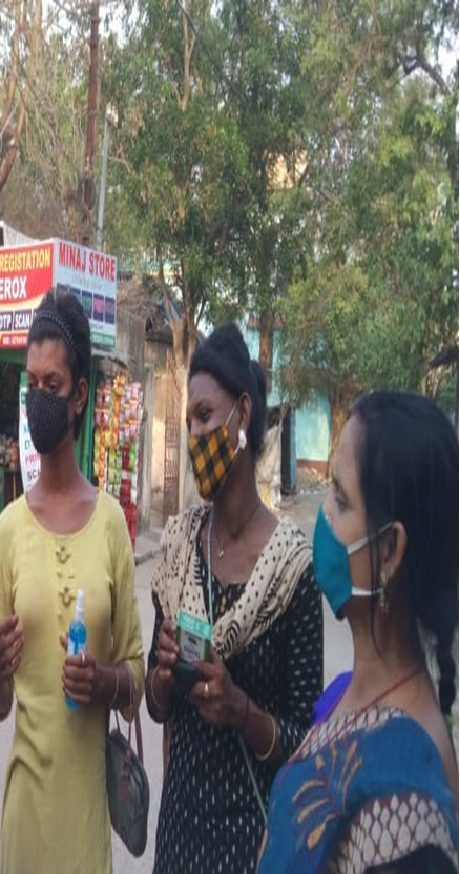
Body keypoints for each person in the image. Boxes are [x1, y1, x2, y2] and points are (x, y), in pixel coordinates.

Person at [257, 391, 459, 873]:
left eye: (341, 498)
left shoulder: (408, 806)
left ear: (389, 552)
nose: (322, 514)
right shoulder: (348, 694)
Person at [146, 323, 323, 874]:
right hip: (178, 841)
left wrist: (241, 711)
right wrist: (163, 676)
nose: (194, 435)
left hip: (254, 847)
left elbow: (306, 742)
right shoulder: (179, 547)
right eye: (189, 422)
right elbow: (156, 704)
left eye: (205, 416)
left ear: (242, 415)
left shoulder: (292, 570)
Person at [0, 290, 145, 874]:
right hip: (24, 817)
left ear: (79, 396)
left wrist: (104, 682)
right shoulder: (8, 529)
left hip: (84, 823)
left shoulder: (110, 525)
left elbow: (136, 678)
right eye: (31, 384)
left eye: (51, 385)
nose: (38, 400)